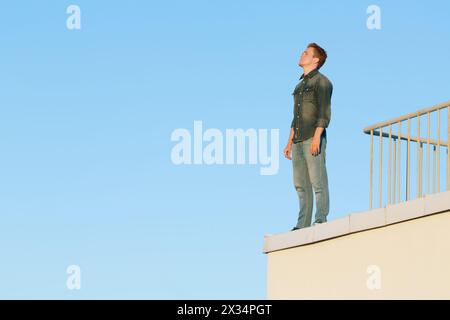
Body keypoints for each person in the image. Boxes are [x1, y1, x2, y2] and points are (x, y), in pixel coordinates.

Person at [283, 43, 333, 230]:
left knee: (317, 180)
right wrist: (289, 142)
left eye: (306, 53)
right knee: (300, 184)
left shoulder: (322, 82)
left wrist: (317, 138)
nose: (301, 55)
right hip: (297, 140)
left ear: (315, 59)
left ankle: (320, 218)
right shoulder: (299, 86)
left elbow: (324, 113)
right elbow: (295, 117)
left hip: (313, 137)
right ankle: (302, 223)